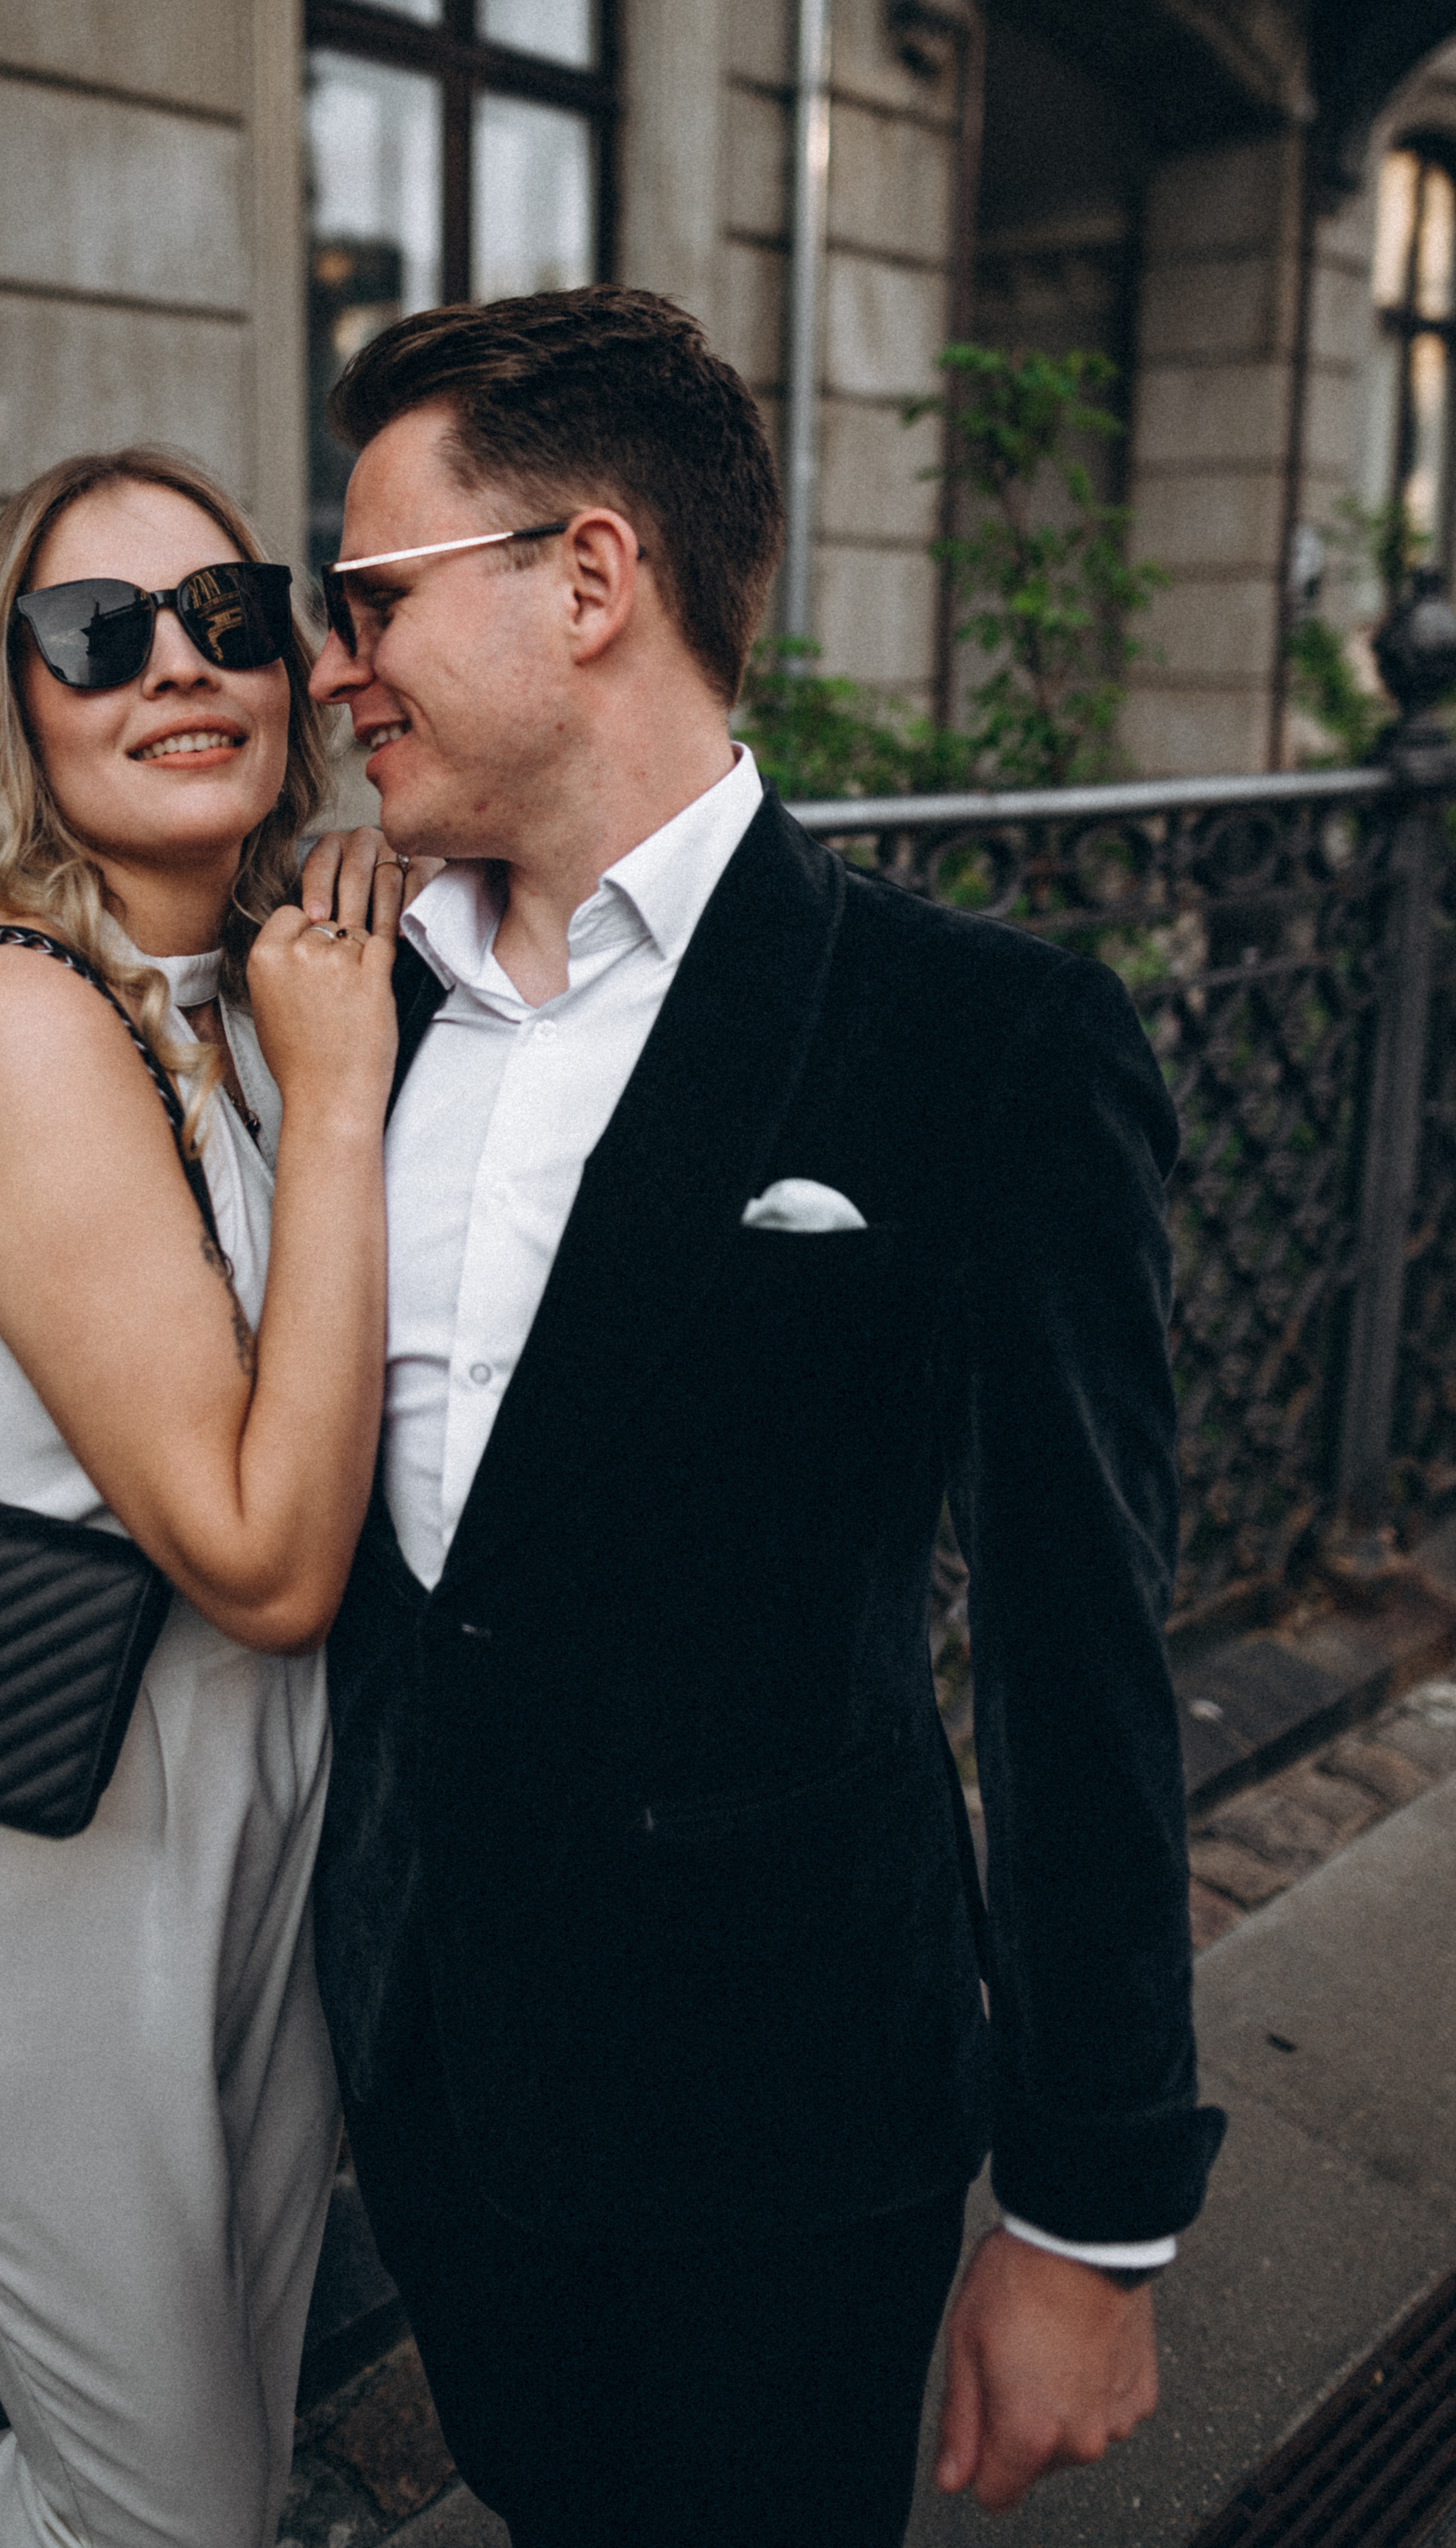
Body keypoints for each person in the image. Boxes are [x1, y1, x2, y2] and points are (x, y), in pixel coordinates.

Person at [300, 286, 1224, 2546]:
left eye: (370, 599)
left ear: (590, 580)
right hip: (442, 2073)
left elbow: (1077, 1646)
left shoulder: (980, 1043)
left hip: (786, 2119)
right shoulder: (341, 1016)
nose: (332, 665)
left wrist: (1089, 2216)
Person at [0, 449, 399, 2548]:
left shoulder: (251, 993)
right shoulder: (21, 1024)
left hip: (252, 1818)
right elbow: (264, 1557)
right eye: (96, 635)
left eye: (229, 615)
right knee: (175, 2518)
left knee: (232, 2457)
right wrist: (353, 1100)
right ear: (11, 700)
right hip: (41, 1875)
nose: (178, 670)